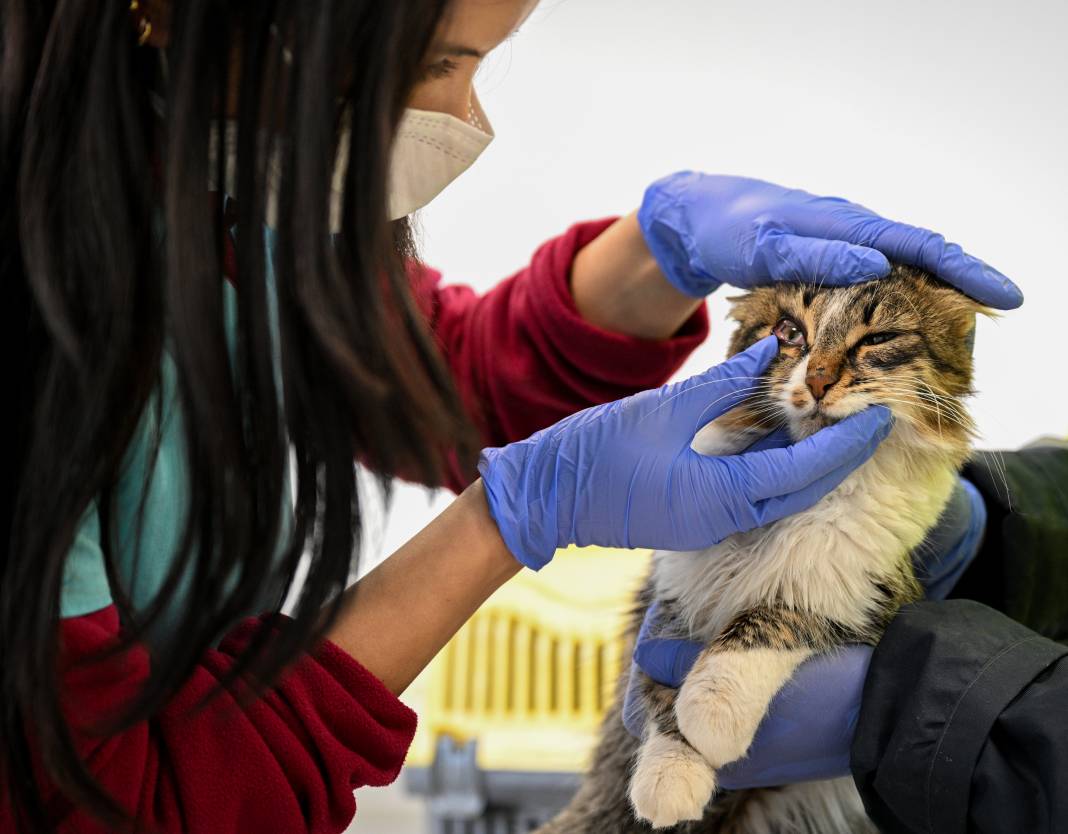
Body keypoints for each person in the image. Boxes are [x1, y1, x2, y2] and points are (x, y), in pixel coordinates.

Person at [0, 1, 1047, 833]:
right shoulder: (52, 321)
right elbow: (135, 808)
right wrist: (510, 515)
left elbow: (428, 373)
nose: (472, 124)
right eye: (437, 68)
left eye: (481, 68)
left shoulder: (238, 194)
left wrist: (660, 245)